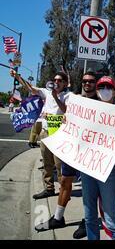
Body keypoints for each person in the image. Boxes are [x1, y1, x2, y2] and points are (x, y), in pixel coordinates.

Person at [35, 71, 99, 239]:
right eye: (85, 81)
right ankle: (58, 217)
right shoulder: (75, 99)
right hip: (72, 147)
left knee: (88, 188)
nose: (87, 84)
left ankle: (88, 221)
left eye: (91, 81)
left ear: (96, 84)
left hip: (89, 151)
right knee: (64, 181)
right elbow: (66, 113)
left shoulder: (101, 103)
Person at [81, 76, 115, 240]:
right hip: (88, 168)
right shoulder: (87, 111)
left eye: (108, 87)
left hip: (110, 171)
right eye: (102, 87)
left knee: (112, 219)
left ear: (114, 91)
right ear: (97, 91)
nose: (105, 90)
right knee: (89, 216)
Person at [11, 69, 69, 199]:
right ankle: (49, 188)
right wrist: (17, 76)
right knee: (47, 163)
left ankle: (63, 190)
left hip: (59, 134)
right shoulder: (47, 92)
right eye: (55, 80)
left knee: (59, 165)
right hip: (45, 132)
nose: (56, 82)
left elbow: (66, 110)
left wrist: (55, 97)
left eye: (60, 80)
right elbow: (30, 88)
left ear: (65, 84)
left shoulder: (68, 96)